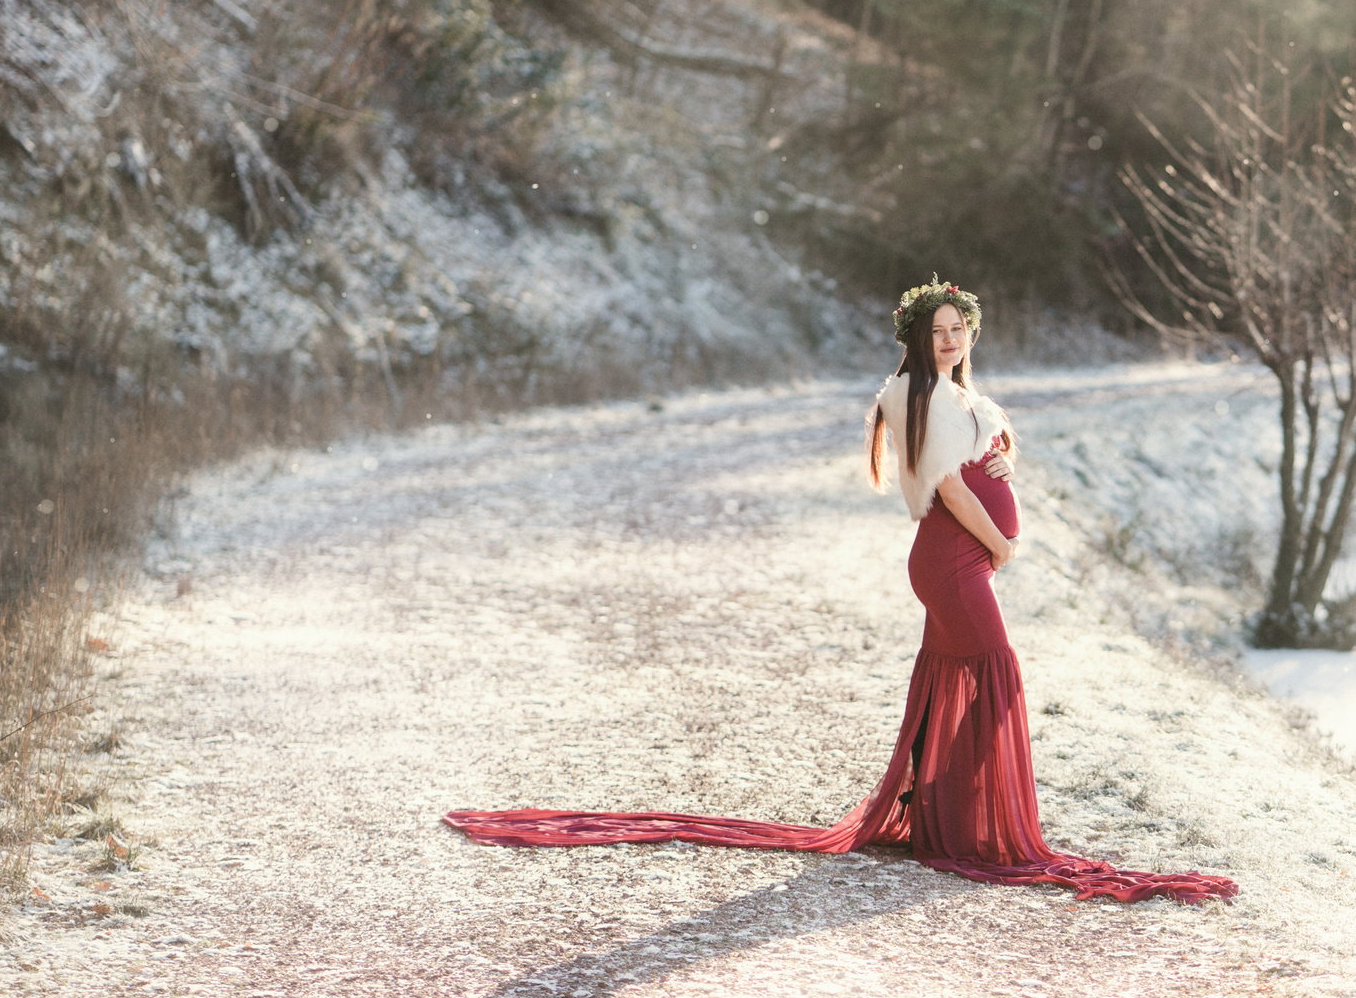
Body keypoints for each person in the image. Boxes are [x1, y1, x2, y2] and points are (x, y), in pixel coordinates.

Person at [444, 278, 1236, 906]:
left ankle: (940, 818)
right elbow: (940, 485)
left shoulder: (956, 395)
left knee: (956, 678)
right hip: (954, 556)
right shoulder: (916, 394)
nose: (953, 338)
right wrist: (1000, 540)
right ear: (917, 339)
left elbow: (978, 465)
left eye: (961, 327)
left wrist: (1005, 469)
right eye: (939, 330)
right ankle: (968, 826)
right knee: (996, 669)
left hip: (960, 559)